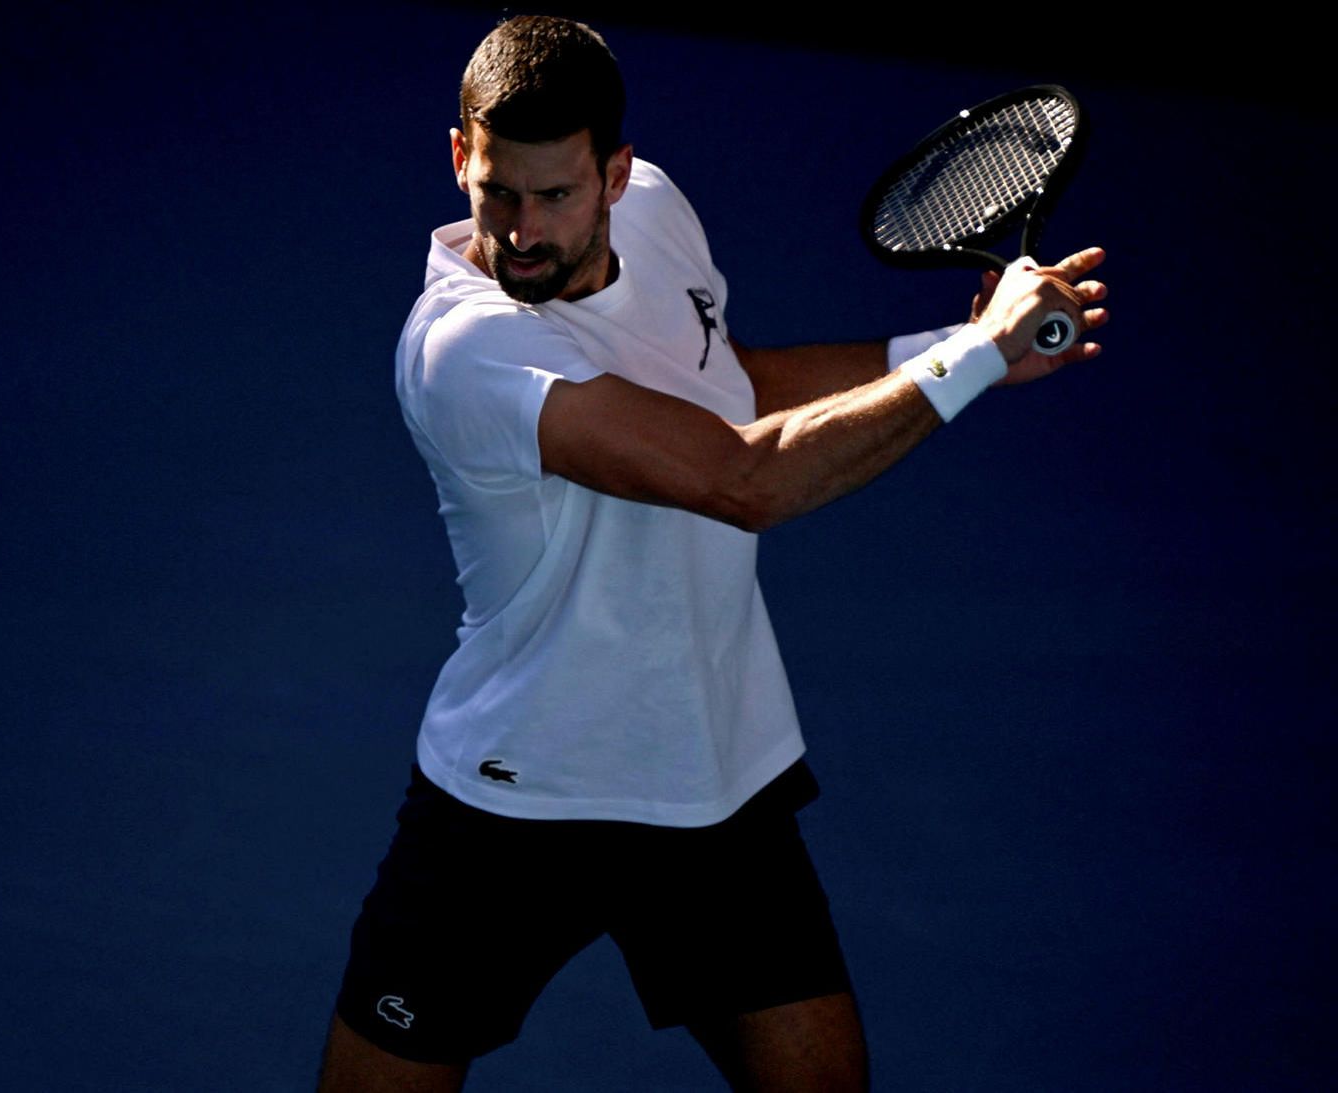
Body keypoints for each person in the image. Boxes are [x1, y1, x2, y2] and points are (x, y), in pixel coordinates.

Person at [318, 15, 1107, 1092]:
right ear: (460, 157)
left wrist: (941, 352)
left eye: (555, 195)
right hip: (514, 799)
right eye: (497, 191)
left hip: (705, 777)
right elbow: (742, 478)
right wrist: (972, 354)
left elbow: (724, 387)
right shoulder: (467, 348)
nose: (522, 231)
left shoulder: (657, 212)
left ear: (615, 174)